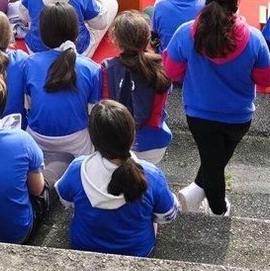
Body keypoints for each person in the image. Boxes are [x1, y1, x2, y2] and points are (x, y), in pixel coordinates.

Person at [163, 0, 270, 216]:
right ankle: (218, 209)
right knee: (215, 163)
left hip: (199, 115)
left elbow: (172, 72)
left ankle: (197, 194)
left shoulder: (186, 33)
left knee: (213, 161)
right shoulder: (254, 39)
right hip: (237, 117)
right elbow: (265, 79)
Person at [57, 100, 179, 257]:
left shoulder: (78, 169)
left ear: (93, 136)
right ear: (132, 134)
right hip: (137, 251)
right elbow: (167, 215)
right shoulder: (151, 175)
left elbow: (65, 200)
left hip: (83, 245)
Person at [21, 3, 101, 183]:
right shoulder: (91, 68)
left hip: (37, 139)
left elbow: (29, 106)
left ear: (42, 34)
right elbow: (93, 114)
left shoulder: (30, 63)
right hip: (76, 142)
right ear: (76, 31)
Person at [98, 11, 173, 163]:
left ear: (116, 40)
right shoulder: (160, 66)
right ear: (148, 39)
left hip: (119, 143)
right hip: (155, 142)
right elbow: (162, 101)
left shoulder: (107, 68)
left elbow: (103, 103)